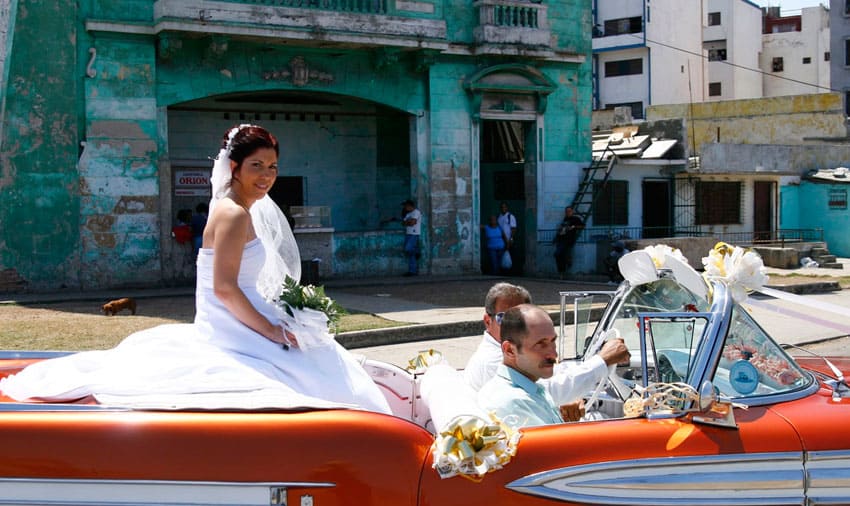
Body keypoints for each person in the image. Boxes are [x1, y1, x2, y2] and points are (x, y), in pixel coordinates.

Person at [0, 124, 392, 414]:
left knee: (321, 362)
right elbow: (224, 288)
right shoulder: (234, 214)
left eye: (273, 167)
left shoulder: (238, 208)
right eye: (257, 165)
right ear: (235, 167)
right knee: (317, 375)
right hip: (230, 323)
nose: (267, 176)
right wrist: (272, 330)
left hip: (236, 314)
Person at [464, 282, 630, 419]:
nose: (553, 354)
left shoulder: (524, 373)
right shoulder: (508, 390)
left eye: (553, 342)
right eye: (505, 317)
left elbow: (552, 375)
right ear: (487, 321)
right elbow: (552, 389)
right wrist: (602, 360)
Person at [477, 304, 565, 428]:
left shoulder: (530, 389)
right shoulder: (513, 402)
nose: (553, 354)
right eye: (541, 344)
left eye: (553, 341)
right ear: (510, 350)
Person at [553, 206, 584, 279]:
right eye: (566, 211)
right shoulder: (565, 219)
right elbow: (561, 229)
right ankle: (561, 271)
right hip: (561, 240)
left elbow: (582, 226)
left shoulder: (575, 219)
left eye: (569, 211)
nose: (568, 213)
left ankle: (566, 266)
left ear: (572, 212)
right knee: (558, 255)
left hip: (569, 240)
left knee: (563, 254)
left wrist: (573, 227)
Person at [401, 199, 421, 277]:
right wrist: (408, 221)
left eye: (406, 206)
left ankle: (417, 251)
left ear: (410, 206)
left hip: (414, 233)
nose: (405, 207)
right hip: (408, 233)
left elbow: (413, 223)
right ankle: (412, 271)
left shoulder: (416, 212)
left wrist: (408, 222)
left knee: (408, 248)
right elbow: (403, 223)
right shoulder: (408, 214)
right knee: (410, 254)